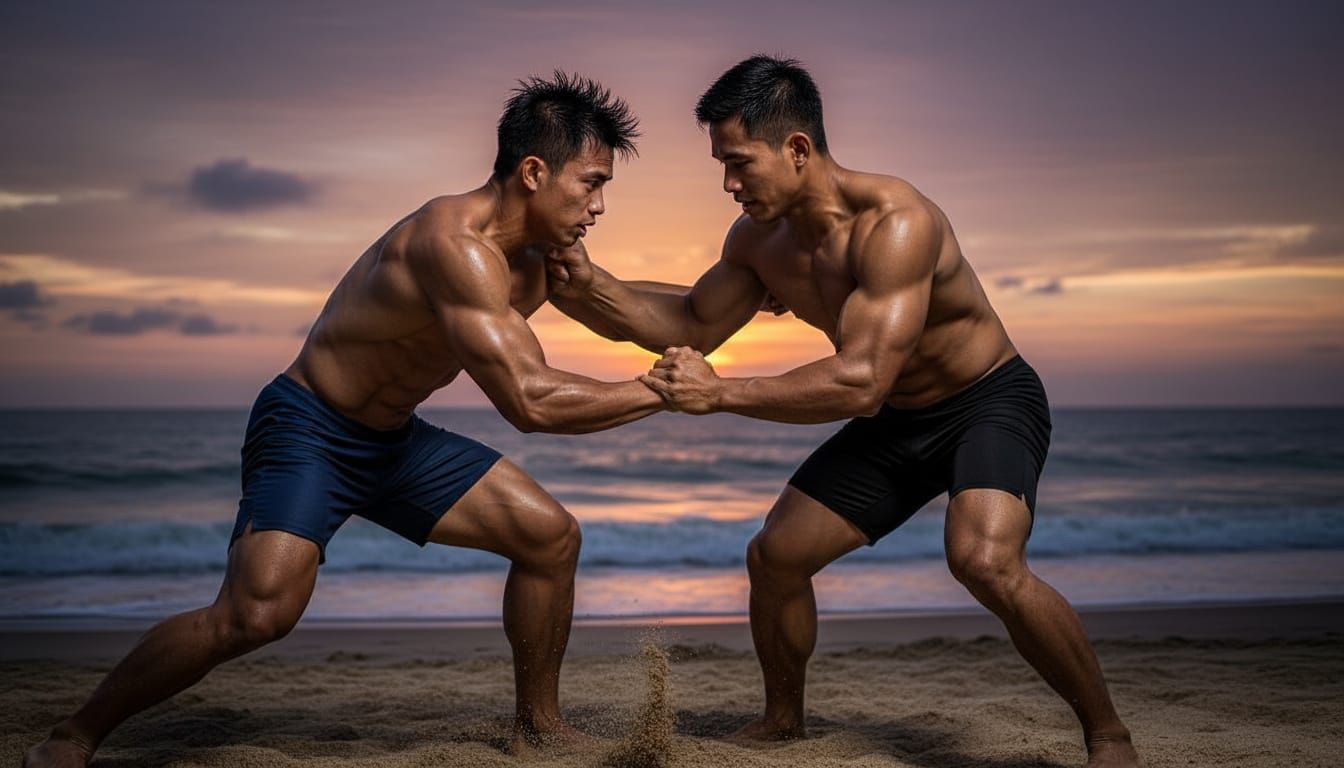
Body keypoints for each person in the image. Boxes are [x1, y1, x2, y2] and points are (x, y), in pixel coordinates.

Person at [26, 71, 665, 767]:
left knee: (549, 538)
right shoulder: (452, 245)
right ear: (535, 172)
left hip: (393, 439)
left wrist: (737, 324)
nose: (599, 205)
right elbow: (530, 401)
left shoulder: (540, 259)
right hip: (311, 428)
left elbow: (659, 315)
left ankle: (537, 729)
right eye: (590, 183)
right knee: (255, 616)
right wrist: (665, 390)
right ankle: (74, 734)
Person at [547, 55, 1140, 767]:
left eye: (739, 163)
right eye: (722, 166)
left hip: (985, 401)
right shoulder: (759, 241)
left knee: (984, 561)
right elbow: (693, 323)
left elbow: (859, 381)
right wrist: (586, 287)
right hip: (898, 417)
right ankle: (783, 721)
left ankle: (1108, 733)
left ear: (797, 148)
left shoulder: (897, 224)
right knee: (776, 556)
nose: (729, 184)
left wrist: (722, 393)